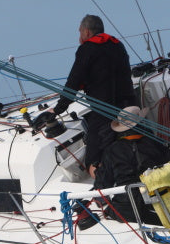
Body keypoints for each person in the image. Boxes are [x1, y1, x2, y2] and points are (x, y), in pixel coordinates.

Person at [53, 15, 136, 177]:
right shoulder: (118, 45)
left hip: (104, 111)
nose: (79, 37)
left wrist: (58, 109)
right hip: (129, 106)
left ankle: (102, 187)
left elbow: (73, 82)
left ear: (87, 31)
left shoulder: (87, 49)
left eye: (80, 32)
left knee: (93, 156)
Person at [91, 106, 170, 225]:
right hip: (161, 201)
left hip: (128, 208)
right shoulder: (156, 143)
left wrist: (99, 199)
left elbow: (103, 184)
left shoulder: (111, 150)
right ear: (141, 123)